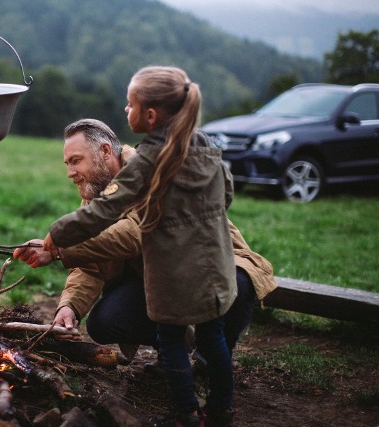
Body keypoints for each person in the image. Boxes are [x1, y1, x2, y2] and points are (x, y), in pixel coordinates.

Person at [40, 66, 236, 426]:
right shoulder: (206, 145)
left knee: (172, 339)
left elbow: (115, 217)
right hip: (214, 267)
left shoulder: (145, 161)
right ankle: (221, 411)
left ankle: (187, 413)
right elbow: (228, 195)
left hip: (173, 272)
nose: (125, 112)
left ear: (150, 114)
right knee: (215, 338)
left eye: (129, 106)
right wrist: (68, 304)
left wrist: (58, 235)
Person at [14, 119, 277, 362]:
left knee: (239, 282)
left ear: (105, 151)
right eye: (67, 164)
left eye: (76, 160)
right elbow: (90, 264)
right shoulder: (95, 196)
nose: (70, 172)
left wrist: (60, 247)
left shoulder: (151, 171)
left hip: (205, 265)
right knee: (104, 322)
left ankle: (209, 359)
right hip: (159, 281)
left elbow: (137, 233)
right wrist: (69, 306)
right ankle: (178, 341)